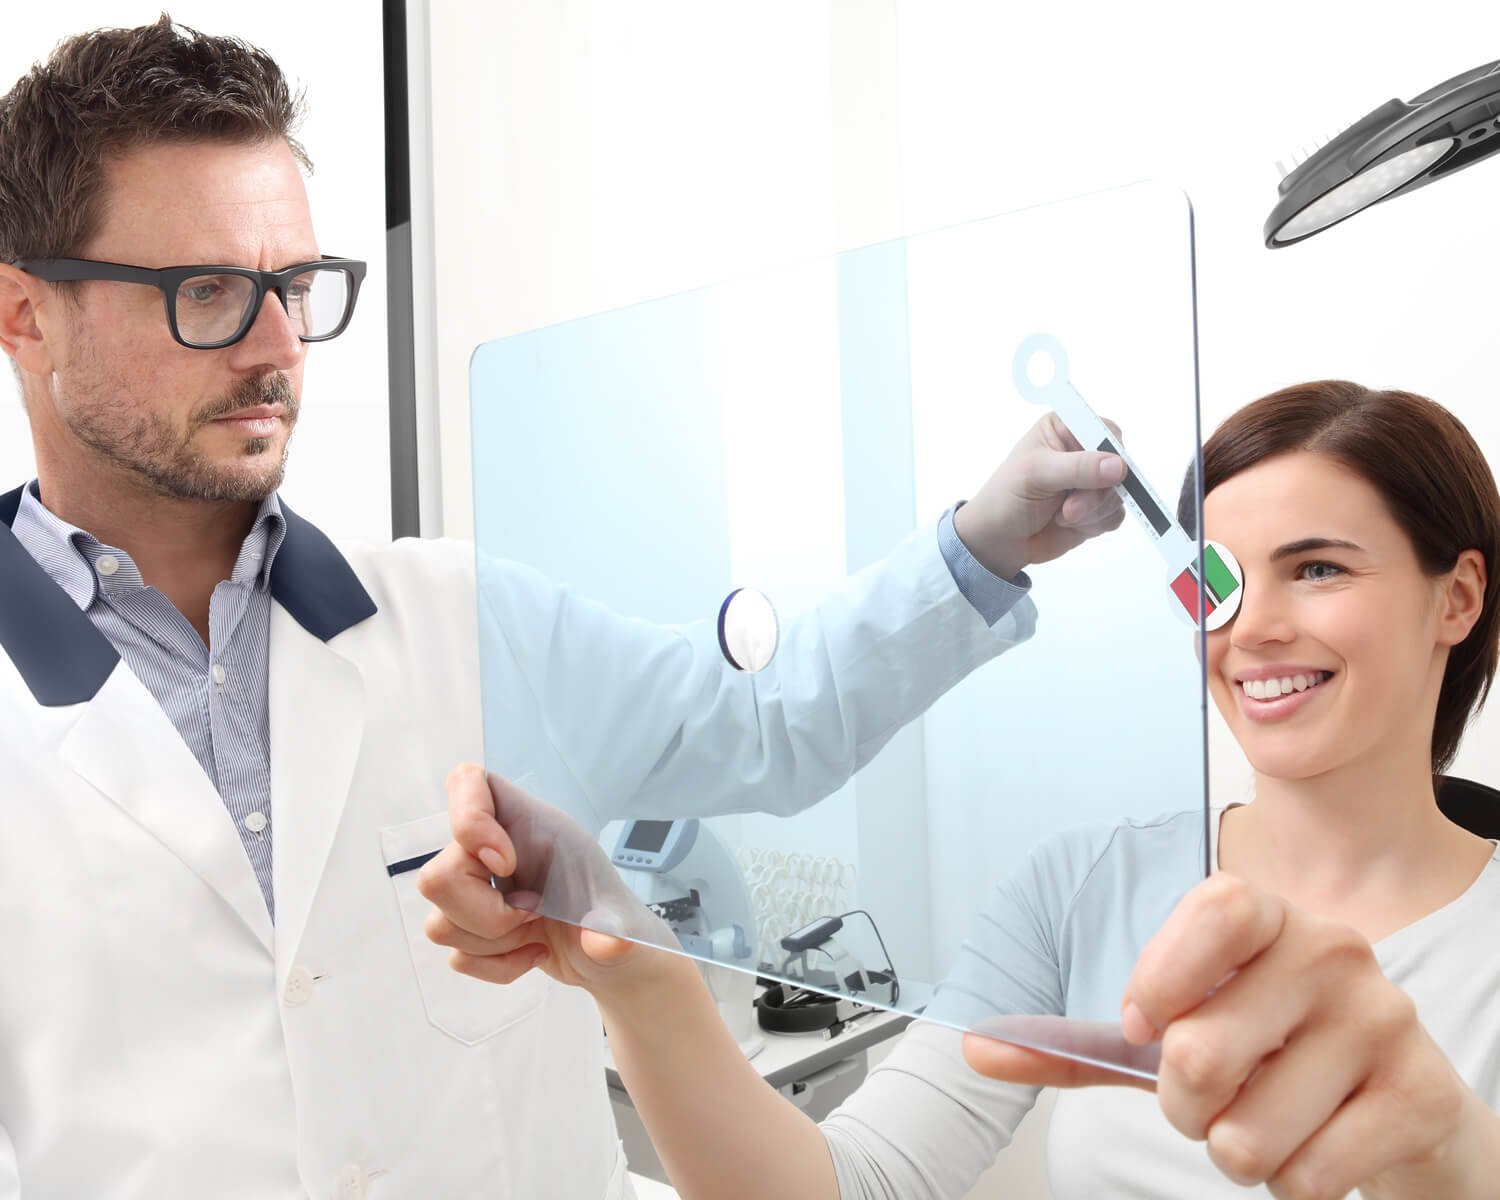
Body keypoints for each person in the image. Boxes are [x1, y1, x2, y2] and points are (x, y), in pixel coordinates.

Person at [0, 16, 1129, 1199]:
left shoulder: (452, 616)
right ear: (27, 316)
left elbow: (769, 722)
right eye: (208, 292)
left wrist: (991, 540)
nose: (277, 345)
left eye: (294, 285)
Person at [425, 379, 1500, 1199]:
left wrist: (1448, 1150)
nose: (1249, 625)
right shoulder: (1080, 888)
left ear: (1455, 599)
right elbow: (849, 1188)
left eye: (1318, 569)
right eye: (1214, 580)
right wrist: (639, 978)